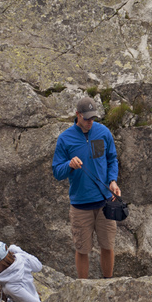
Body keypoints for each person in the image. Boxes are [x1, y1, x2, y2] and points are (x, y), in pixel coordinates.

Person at [52, 97, 122, 278]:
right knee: (82, 249)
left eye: (93, 118)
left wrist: (113, 181)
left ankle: (108, 281)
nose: (90, 122)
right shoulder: (65, 139)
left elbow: (112, 159)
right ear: (78, 115)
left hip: (105, 202)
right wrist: (69, 165)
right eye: (87, 118)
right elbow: (57, 172)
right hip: (80, 205)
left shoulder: (103, 132)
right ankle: (83, 287)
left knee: (107, 246)